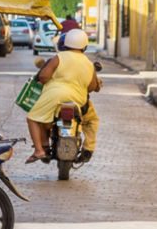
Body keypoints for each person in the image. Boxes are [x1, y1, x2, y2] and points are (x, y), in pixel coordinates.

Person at [23, 25, 100, 163]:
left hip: (55, 96)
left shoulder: (59, 57)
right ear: (85, 46)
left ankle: (40, 150)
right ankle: (88, 149)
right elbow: (92, 87)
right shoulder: (89, 64)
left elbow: (43, 77)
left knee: (33, 118)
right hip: (79, 99)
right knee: (91, 120)